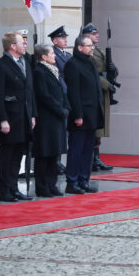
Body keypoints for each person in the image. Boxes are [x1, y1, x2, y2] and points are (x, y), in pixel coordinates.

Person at [0, 32, 36, 202]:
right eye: (21, 43)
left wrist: (33, 115)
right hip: (10, 118)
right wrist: (2, 119)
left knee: (18, 154)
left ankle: (14, 187)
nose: (25, 45)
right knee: (7, 154)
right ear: (12, 46)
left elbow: (30, 92)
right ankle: (4, 190)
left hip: (24, 117)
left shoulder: (25, 63)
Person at [64, 35, 104, 194]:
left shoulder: (89, 63)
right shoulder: (72, 65)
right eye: (88, 45)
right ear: (79, 47)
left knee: (88, 150)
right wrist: (78, 115)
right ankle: (72, 181)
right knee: (76, 149)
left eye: (91, 45)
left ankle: (83, 179)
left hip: (92, 114)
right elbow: (73, 93)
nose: (92, 48)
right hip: (81, 115)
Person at [32, 44, 69, 197]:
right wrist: (60, 110)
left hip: (57, 118)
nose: (54, 55)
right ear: (43, 56)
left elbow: (62, 91)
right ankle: (42, 187)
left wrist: (66, 107)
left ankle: (52, 184)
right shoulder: (39, 71)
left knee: (54, 153)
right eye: (52, 53)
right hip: (46, 119)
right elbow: (44, 95)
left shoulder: (54, 70)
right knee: (44, 153)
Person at [81, 23, 115, 172]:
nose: (97, 35)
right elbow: (93, 73)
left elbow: (107, 68)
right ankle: (93, 159)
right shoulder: (88, 53)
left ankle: (96, 158)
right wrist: (107, 84)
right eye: (94, 33)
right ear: (87, 35)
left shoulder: (98, 51)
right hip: (97, 90)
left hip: (102, 91)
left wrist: (113, 68)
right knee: (95, 129)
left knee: (100, 128)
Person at [48, 25, 71, 174]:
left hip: (68, 95)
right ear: (55, 41)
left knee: (66, 131)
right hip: (62, 94)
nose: (65, 40)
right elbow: (58, 76)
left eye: (65, 37)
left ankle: (59, 161)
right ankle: (55, 162)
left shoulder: (68, 55)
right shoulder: (53, 55)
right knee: (59, 131)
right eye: (62, 38)